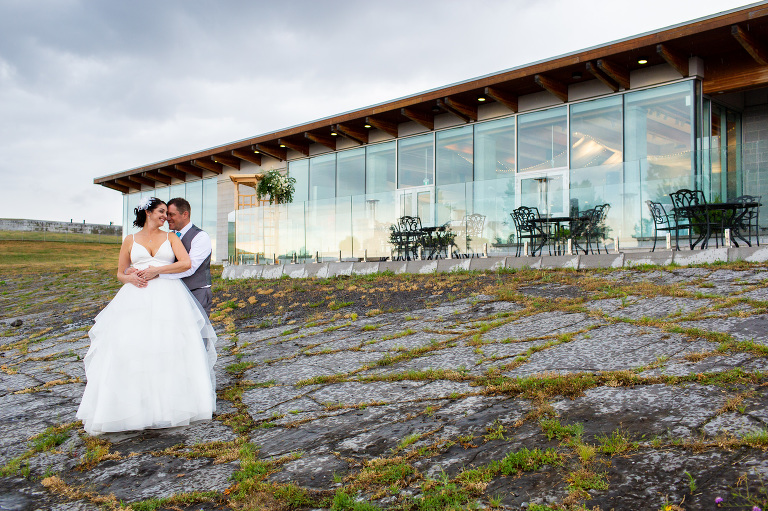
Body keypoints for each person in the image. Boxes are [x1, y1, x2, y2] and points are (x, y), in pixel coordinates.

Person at [77, 197, 216, 436]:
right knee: (133, 348)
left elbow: (185, 263)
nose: (165, 217)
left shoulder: (171, 237)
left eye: (168, 213)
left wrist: (156, 271)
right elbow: (120, 272)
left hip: (168, 295)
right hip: (136, 296)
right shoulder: (129, 240)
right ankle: (134, 407)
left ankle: (170, 406)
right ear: (148, 213)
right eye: (162, 212)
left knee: (169, 347)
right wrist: (129, 277)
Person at [138, 197, 212, 315]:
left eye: (171, 214)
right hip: (173, 293)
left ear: (185, 214)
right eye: (167, 214)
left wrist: (157, 274)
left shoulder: (201, 237)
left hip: (197, 293)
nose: (167, 218)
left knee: (195, 332)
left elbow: (190, 268)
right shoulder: (169, 237)